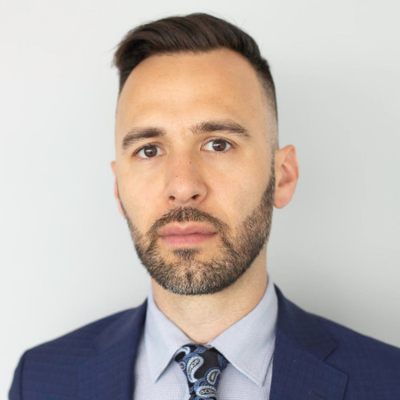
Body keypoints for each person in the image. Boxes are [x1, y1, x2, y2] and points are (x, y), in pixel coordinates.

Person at [9, 12, 400, 400]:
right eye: (149, 150)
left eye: (218, 144)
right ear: (118, 187)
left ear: (282, 177)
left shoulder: (389, 382)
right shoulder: (40, 381)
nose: (182, 187)